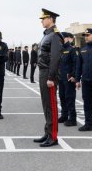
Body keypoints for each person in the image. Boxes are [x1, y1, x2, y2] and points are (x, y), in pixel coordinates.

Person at [33, 9, 63, 147]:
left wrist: (51, 77)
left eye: (43, 19)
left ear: (50, 19)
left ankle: (53, 137)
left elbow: (56, 58)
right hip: (43, 72)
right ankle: (48, 132)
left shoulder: (55, 36)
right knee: (46, 104)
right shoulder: (46, 35)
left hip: (49, 74)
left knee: (51, 105)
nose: (41, 21)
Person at [59, 32, 79, 126]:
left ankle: (72, 118)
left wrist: (74, 76)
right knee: (62, 97)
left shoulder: (72, 50)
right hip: (61, 78)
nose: (60, 39)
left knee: (69, 98)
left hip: (69, 78)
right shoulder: (60, 50)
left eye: (62, 38)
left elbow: (76, 64)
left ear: (67, 38)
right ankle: (64, 115)